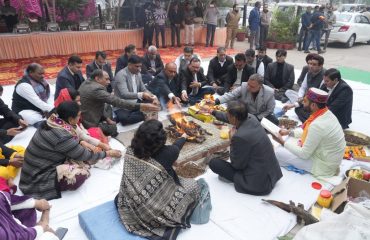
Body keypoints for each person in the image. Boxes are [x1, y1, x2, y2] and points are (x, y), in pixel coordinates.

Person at [115, 119, 208, 239]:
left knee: (119, 197)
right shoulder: (169, 153)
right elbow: (176, 147)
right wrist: (184, 137)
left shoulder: (129, 150)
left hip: (133, 201)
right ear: (160, 140)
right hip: (156, 209)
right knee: (193, 185)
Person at [19, 101, 122, 200]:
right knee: (79, 177)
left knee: (83, 150)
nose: (80, 117)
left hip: (37, 164)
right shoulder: (62, 136)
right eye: (78, 115)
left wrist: (102, 144)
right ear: (71, 119)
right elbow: (85, 155)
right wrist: (107, 153)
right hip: (37, 176)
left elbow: (82, 135)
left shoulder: (55, 120)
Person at [207, 100, 282, 195]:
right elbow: (228, 117)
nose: (227, 116)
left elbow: (236, 165)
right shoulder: (251, 117)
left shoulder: (240, 137)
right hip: (272, 172)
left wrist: (232, 140)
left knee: (214, 163)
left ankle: (238, 179)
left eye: (228, 115)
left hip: (259, 182)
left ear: (234, 118)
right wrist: (213, 112)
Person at [274, 88, 346, 178]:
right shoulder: (326, 113)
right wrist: (289, 132)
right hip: (327, 158)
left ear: (313, 105)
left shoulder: (317, 125)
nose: (302, 103)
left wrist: (282, 142)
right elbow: (307, 132)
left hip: (324, 166)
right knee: (291, 140)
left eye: (304, 101)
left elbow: (304, 154)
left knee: (278, 152)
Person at [79, 70, 159, 136]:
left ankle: (108, 119)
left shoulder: (87, 82)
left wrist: (106, 118)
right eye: (106, 79)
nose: (109, 82)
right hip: (90, 121)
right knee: (114, 129)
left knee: (108, 107)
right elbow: (118, 102)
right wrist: (142, 106)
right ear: (97, 79)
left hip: (95, 111)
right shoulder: (96, 89)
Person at [214, 74, 278, 125]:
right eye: (248, 84)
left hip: (260, 115)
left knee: (274, 122)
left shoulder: (269, 92)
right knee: (231, 116)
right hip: (246, 114)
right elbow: (231, 95)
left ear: (260, 86)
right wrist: (216, 101)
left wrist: (258, 117)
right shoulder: (244, 86)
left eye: (252, 86)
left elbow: (270, 110)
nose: (248, 87)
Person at [113, 55, 159, 125]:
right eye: (137, 66)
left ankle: (139, 113)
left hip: (136, 101)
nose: (139, 69)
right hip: (123, 104)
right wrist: (141, 95)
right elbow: (124, 94)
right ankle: (144, 114)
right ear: (129, 65)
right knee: (124, 120)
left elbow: (143, 89)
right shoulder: (121, 75)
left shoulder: (138, 74)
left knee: (156, 105)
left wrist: (153, 97)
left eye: (140, 66)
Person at [283, 54, 325, 122]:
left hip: (316, 104)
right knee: (296, 107)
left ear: (320, 66)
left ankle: (311, 121)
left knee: (299, 108)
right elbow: (303, 87)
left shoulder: (324, 77)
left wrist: (297, 103)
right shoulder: (308, 73)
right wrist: (300, 97)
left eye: (314, 64)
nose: (311, 66)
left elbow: (317, 98)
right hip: (307, 99)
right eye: (310, 64)